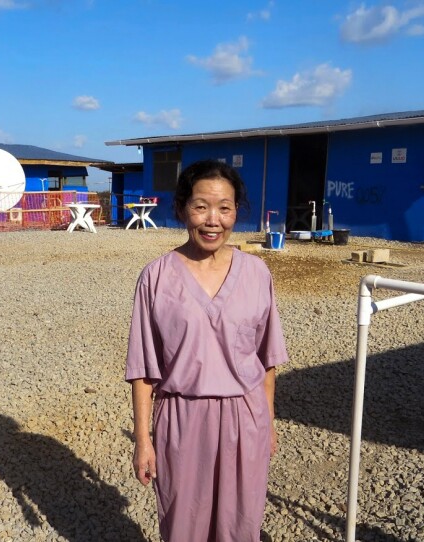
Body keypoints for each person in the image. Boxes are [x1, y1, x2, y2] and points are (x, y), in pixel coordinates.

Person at [126, 159, 289, 541]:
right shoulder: (157, 276)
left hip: (246, 416)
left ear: (236, 212)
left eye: (224, 208)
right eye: (200, 206)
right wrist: (143, 440)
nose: (212, 219)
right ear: (183, 208)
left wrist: (269, 422)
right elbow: (143, 368)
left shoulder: (257, 273)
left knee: (240, 523)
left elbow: (266, 361)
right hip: (183, 418)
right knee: (184, 524)